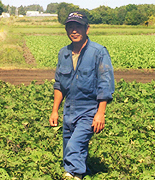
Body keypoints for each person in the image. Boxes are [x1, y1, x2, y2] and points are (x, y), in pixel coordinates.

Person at [49, 11, 115, 180]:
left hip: (89, 109)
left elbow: (105, 84)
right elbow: (59, 84)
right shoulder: (63, 53)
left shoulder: (98, 52)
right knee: (69, 147)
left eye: (78, 26)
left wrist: (100, 113)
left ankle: (73, 174)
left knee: (75, 144)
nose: (74, 30)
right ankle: (81, 171)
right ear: (66, 30)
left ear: (87, 29)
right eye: (70, 27)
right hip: (69, 109)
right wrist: (55, 110)